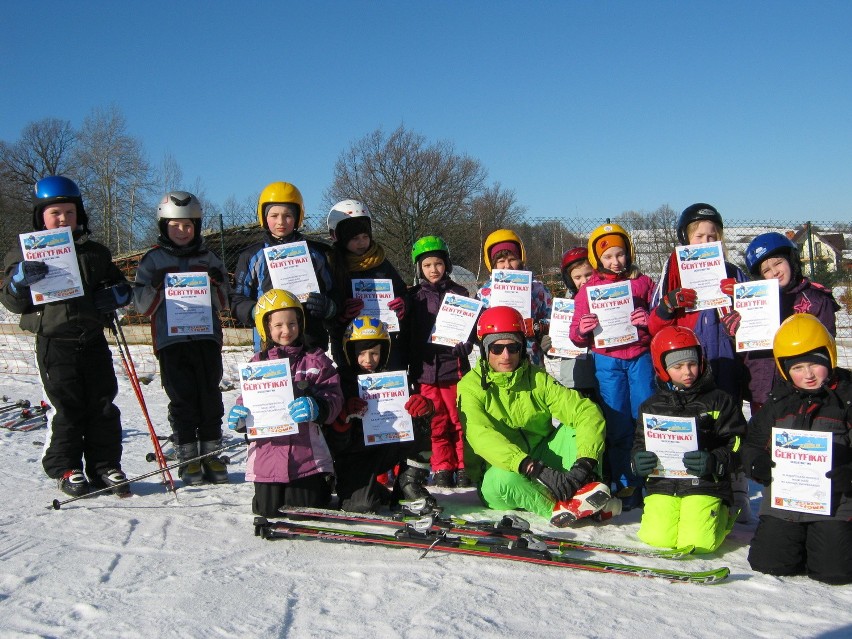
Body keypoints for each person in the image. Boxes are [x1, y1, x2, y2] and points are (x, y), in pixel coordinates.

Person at [0, 176, 132, 497]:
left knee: (102, 403)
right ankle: (65, 466)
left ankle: (104, 466)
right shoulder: (24, 252)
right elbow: (11, 300)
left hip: (92, 338)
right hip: (54, 341)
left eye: (70, 213)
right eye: (55, 213)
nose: (63, 219)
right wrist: (19, 281)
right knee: (67, 406)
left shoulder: (94, 253)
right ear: (41, 217)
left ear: (79, 216)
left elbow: (121, 288)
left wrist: (116, 295)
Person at [457, 306, 612, 527]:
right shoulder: (470, 387)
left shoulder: (537, 378)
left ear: (522, 347)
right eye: (497, 348)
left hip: (543, 458)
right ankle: (559, 507)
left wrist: (583, 465)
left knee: (576, 427)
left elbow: (584, 411)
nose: (506, 355)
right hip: (498, 470)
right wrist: (531, 467)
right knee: (502, 479)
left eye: (513, 347)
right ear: (484, 350)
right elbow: (480, 435)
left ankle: (584, 484)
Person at [648, 203, 751, 522]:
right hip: (689, 364)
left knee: (729, 424)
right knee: (693, 422)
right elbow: (654, 325)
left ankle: (738, 490)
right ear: (685, 239)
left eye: (712, 236)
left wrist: (740, 302)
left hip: (726, 360)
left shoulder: (733, 271)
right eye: (699, 236)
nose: (706, 243)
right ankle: (686, 488)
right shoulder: (674, 270)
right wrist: (669, 305)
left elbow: (754, 321)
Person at [741, 314, 852, 584]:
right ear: (784, 369)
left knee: (834, 571)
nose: (809, 374)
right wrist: (755, 462)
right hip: (786, 500)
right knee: (769, 563)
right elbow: (752, 442)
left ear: (830, 357)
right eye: (798, 367)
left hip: (836, 500)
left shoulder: (847, 398)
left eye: (816, 363)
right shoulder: (780, 401)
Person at [132, 191, 230, 485]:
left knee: (209, 395)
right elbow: (140, 304)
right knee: (182, 397)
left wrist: (214, 285)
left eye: (188, 225)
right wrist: (157, 289)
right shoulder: (153, 260)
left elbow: (224, 301)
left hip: (205, 338)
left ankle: (211, 452)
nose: (182, 231)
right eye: (175, 225)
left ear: (197, 226)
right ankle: (188, 456)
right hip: (171, 342)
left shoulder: (208, 257)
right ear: (164, 225)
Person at [226, 289, 343, 517]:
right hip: (268, 455)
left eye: (292, 323)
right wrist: (241, 418)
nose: (286, 330)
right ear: (266, 328)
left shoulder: (315, 359)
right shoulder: (257, 363)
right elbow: (247, 399)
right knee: (268, 511)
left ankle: (322, 485)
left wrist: (318, 407)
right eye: (278, 325)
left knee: (304, 512)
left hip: (305, 455)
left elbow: (334, 396)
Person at [631, 326, 745, 553]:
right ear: (662, 369)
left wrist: (715, 461)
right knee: (656, 538)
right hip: (664, 483)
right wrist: (637, 461)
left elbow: (738, 442)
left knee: (697, 543)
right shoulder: (651, 406)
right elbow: (639, 443)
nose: (687, 372)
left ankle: (723, 514)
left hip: (705, 483)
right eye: (677, 366)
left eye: (692, 364)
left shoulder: (719, 400)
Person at [569, 222, 656, 510]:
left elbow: (660, 317)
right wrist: (583, 329)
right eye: (608, 257)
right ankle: (625, 482)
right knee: (618, 422)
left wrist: (649, 319)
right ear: (597, 259)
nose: (615, 262)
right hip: (607, 361)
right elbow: (575, 335)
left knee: (644, 418)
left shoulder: (643, 282)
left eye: (619, 255)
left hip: (640, 356)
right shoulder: (588, 291)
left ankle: (652, 480)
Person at [327, 315, 438, 513]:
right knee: (363, 506)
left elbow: (418, 410)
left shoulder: (393, 380)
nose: (368, 360)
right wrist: (344, 416)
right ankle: (361, 489)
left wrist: (425, 407)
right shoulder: (340, 382)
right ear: (349, 352)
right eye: (361, 353)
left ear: (384, 352)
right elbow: (333, 442)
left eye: (374, 353)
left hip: (385, 448)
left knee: (420, 420)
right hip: (353, 457)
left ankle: (408, 486)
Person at [730, 232, 840, 411]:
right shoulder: (750, 304)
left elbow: (826, 349)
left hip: (803, 391)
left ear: (791, 260)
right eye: (766, 270)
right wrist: (736, 334)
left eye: (778, 262)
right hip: (762, 389)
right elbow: (744, 355)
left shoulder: (816, 299)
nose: (774, 272)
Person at [231, 181, 338, 352]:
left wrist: (329, 307)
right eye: (274, 215)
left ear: (298, 217)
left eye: (287, 215)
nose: (281, 221)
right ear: (264, 217)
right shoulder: (252, 256)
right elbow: (237, 299)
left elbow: (335, 291)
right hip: (269, 344)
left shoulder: (316, 253)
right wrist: (255, 312)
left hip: (311, 342)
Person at [405, 235, 474, 489]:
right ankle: (443, 466)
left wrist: (465, 345)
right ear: (419, 269)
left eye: (438, 264)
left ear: (447, 264)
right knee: (436, 421)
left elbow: (471, 331)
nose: (434, 270)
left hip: (453, 368)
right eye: (427, 265)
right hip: (425, 371)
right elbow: (407, 333)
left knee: (459, 419)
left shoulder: (460, 293)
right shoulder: (413, 297)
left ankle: (464, 465)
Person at [325, 200, 408, 383]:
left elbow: (402, 291)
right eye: (355, 239)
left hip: (386, 343)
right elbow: (327, 304)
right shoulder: (332, 266)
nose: (362, 243)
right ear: (339, 237)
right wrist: (341, 312)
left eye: (365, 236)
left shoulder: (381, 262)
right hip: (351, 345)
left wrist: (403, 303)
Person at [476, 229, 552, 367]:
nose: (507, 266)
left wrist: (538, 326)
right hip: (500, 356)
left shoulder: (537, 289)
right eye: (501, 261)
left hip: (531, 356)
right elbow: (478, 328)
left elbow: (551, 318)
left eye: (512, 260)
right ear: (492, 265)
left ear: (520, 260)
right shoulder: (484, 293)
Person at [540, 247, 598, 398]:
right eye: (577, 277)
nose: (584, 281)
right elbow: (559, 341)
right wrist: (550, 346)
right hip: (575, 378)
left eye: (588, 275)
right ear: (569, 279)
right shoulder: (564, 307)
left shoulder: (605, 302)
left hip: (604, 376)